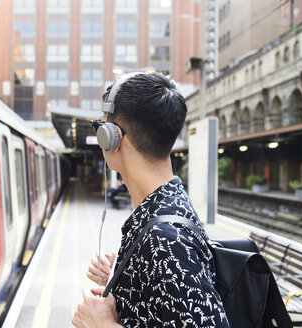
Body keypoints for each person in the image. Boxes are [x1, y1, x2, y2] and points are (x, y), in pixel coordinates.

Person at [72, 72, 230, 327]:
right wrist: (122, 273)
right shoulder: (165, 205)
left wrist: (103, 325)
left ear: (112, 136)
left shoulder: (165, 241)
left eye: (100, 125)